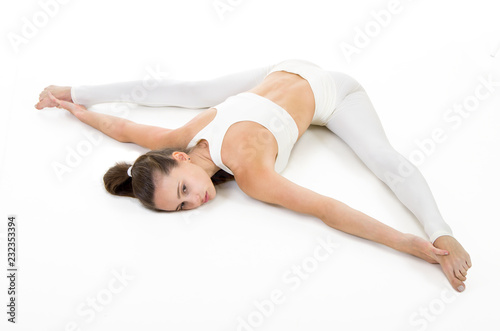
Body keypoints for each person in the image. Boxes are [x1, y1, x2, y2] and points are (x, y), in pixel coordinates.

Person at [35, 59, 471, 292]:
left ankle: (441, 228)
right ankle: (441, 237)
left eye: (184, 190)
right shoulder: (222, 162)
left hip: (318, 83)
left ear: (179, 158)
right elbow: (327, 207)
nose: (194, 202)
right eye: (182, 206)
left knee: (187, 91)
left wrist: (72, 97)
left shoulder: (223, 159)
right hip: (316, 92)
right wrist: (409, 244)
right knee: (383, 158)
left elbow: (125, 127)